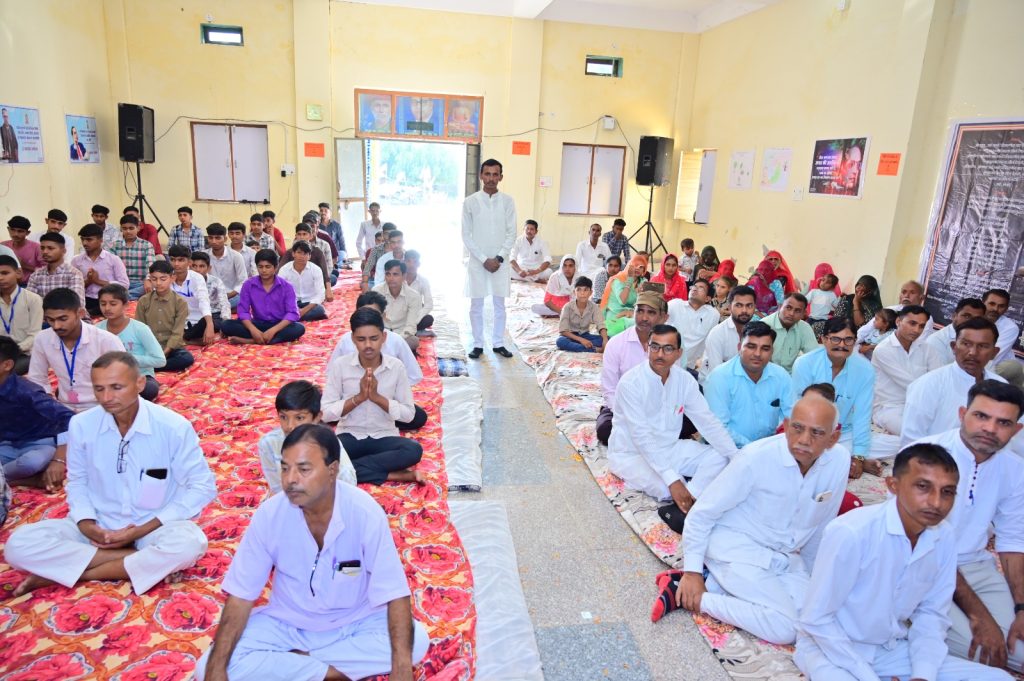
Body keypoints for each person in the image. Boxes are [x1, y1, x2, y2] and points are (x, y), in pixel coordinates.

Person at [193, 424, 428, 681]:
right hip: (287, 623)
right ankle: (326, 672)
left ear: (332, 470)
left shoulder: (364, 512)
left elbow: (394, 591)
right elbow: (241, 595)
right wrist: (216, 670)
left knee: (416, 642)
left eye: (303, 469)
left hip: (353, 622)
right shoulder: (270, 515)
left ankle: (297, 663)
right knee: (208, 667)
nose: (290, 480)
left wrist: (401, 668)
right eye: (285, 468)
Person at [5, 351, 216, 597]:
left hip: (152, 526)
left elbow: (202, 487)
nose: (106, 398)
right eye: (99, 389)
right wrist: (87, 524)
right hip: (99, 524)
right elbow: (78, 481)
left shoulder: (173, 426)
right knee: (18, 546)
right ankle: (133, 560)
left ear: (140, 384)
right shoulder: (82, 425)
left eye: (116, 387)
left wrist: (141, 530)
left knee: (190, 544)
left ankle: (77, 573)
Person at [794, 443, 1011, 681]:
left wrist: (922, 675)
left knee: (1000, 679)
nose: (936, 502)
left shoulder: (944, 536)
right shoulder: (852, 532)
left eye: (947, 492)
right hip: (831, 649)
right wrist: (868, 676)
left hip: (890, 649)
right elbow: (816, 619)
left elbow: (931, 614)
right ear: (893, 485)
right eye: (923, 487)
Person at [654, 393, 848, 643]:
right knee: (785, 628)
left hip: (785, 557)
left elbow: (821, 526)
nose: (804, 440)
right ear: (786, 426)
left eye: (817, 433)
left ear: (833, 439)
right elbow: (701, 515)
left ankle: (714, 584)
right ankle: (695, 596)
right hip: (736, 550)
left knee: (817, 617)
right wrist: (692, 572)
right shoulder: (755, 458)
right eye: (798, 428)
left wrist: (812, 579)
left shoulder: (839, 461)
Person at [912, 381, 1024, 672]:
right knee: (990, 652)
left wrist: (1021, 608)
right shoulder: (923, 457)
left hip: (976, 567)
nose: (990, 429)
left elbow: (1013, 541)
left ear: (1016, 430)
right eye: (981, 416)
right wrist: (980, 616)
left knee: (1019, 649)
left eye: (1003, 423)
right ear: (962, 414)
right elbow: (922, 544)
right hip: (920, 568)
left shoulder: (1015, 469)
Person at [608, 323, 737, 520]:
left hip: (670, 448)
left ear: (679, 353)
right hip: (632, 454)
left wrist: (736, 458)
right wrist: (672, 480)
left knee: (722, 456)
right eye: (655, 347)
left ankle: (689, 499)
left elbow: (707, 421)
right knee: (665, 487)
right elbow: (641, 437)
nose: (660, 354)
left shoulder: (685, 380)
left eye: (668, 349)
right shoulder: (630, 383)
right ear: (648, 348)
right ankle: (690, 497)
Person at [322, 308, 423, 484]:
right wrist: (358, 398)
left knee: (413, 450)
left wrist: (377, 398)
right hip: (350, 434)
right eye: (361, 339)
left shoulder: (396, 367)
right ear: (353, 339)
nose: (368, 345)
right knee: (322, 454)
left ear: (384, 337)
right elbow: (325, 413)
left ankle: (348, 469)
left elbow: (408, 415)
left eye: (374, 338)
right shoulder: (341, 366)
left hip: (384, 436)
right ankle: (392, 474)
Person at [901, 317, 1022, 453]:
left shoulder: (1001, 386)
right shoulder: (929, 384)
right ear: (954, 347)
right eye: (966, 344)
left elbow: (1014, 437)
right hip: (937, 461)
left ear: (994, 353)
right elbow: (911, 440)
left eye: (982, 346)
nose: (973, 352)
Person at [792, 317, 881, 476]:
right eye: (835, 339)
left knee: (895, 444)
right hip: (810, 431)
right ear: (824, 339)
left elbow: (862, 415)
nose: (842, 345)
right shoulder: (805, 363)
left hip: (844, 433)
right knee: (796, 450)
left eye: (848, 340)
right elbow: (797, 408)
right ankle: (842, 460)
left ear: (855, 341)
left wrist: (859, 456)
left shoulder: (865, 369)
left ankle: (845, 459)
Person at [328, 291, 427, 431]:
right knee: (323, 410)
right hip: (353, 400)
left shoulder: (395, 340)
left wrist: (390, 389)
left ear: (383, 317)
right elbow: (331, 374)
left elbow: (413, 375)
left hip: (386, 401)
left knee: (418, 417)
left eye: (374, 315)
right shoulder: (346, 340)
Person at [28, 288, 124, 412]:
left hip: (101, 406)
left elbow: (123, 380)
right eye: (50, 320)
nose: (56, 326)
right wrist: (49, 406)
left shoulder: (106, 340)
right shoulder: (42, 338)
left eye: (63, 319)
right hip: (63, 407)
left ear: (80, 313)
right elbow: (37, 378)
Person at [0, 335, 74, 491]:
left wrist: (59, 459)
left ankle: (8, 479)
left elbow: (68, 418)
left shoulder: (27, 391)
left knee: (31, 463)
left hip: (39, 444)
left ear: (7, 365)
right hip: (6, 446)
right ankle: (24, 480)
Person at [705, 321, 794, 447]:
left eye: (765, 348)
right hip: (729, 449)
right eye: (751, 346)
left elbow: (791, 415)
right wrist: (754, 450)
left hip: (771, 446)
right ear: (739, 347)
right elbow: (717, 427)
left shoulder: (781, 376)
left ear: (772, 351)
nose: (757, 354)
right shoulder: (719, 377)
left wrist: (772, 445)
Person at [258, 382, 356, 495]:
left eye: (299, 418)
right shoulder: (269, 444)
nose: (290, 426)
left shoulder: (329, 443)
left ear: (317, 418)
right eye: (283, 417)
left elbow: (348, 483)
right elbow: (277, 488)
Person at [596, 291, 668, 445]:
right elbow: (609, 389)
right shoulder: (616, 344)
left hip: (657, 410)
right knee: (605, 430)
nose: (644, 317)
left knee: (688, 421)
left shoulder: (670, 347)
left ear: (663, 317)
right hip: (623, 409)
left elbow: (672, 386)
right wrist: (630, 416)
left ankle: (641, 437)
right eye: (639, 311)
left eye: (651, 312)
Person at [462, 159, 517, 360]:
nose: (491, 178)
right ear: (481, 176)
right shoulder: (470, 202)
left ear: (501, 177)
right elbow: (466, 235)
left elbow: (512, 232)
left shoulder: (508, 202)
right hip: (478, 262)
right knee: (476, 305)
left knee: (499, 305)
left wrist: (499, 257)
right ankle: (478, 344)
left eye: (495, 174)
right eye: (487, 174)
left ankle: (498, 343)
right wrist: (484, 259)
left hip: (500, 262)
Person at [871, 305, 943, 440]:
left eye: (921, 326)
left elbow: (938, 379)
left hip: (921, 405)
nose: (916, 330)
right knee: (916, 434)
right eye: (912, 323)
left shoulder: (927, 348)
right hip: (889, 408)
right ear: (898, 321)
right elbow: (912, 384)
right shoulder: (883, 350)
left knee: (944, 429)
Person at [221, 250, 306, 345]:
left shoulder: (287, 286)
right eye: (260, 267)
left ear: (276, 267)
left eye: (268, 267)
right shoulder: (248, 285)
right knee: (226, 325)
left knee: (299, 328)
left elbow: (292, 313)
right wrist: (253, 330)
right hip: (257, 324)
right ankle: (268, 339)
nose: (264, 270)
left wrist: (273, 330)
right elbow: (243, 311)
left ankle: (251, 341)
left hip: (279, 325)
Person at [96, 284, 164, 400]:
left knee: (149, 390)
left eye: (113, 304)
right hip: (108, 377)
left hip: (138, 376)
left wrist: (126, 360)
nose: (107, 308)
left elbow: (160, 360)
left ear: (126, 305)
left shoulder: (140, 329)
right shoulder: (97, 329)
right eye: (103, 304)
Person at [135, 260, 194, 372]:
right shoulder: (144, 301)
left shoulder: (180, 302)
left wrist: (164, 353)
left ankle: (152, 366)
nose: (158, 283)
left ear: (172, 278)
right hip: (150, 346)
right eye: (154, 279)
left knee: (186, 358)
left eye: (163, 279)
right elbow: (139, 328)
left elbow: (177, 332)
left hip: (171, 347)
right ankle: (154, 364)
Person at [699, 285, 757, 383]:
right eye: (739, 305)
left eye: (749, 306)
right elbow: (717, 373)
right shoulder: (717, 334)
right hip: (716, 385)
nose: (744, 310)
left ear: (755, 307)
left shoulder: (756, 332)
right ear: (729, 307)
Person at [854, 279, 935, 346]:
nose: (906, 296)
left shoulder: (926, 319)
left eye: (912, 293)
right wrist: (853, 344)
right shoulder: (890, 309)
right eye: (904, 292)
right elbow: (865, 330)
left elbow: (918, 344)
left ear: (921, 298)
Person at [71, 224, 129, 316]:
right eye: (82, 239)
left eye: (89, 239)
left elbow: (125, 285)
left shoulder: (113, 259)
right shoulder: (76, 260)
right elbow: (72, 285)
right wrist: (89, 281)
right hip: (85, 300)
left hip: (108, 301)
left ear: (101, 240)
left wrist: (98, 281)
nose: (85, 243)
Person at [0, 254, 42, 374]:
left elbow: (35, 335)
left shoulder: (33, 299)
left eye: (5, 273)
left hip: (23, 354)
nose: (0, 278)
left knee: (5, 371)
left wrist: (14, 350)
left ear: (18, 273)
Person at [167, 245, 216, 346]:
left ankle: (182, 339)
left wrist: (210, 325)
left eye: (181, 260)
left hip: (195, 321)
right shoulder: (165, 277)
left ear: (189, 262)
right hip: (174, 320)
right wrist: (167, 285)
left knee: (209, 322)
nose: (176, 264)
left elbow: (204, 301)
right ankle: (187, 340)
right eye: (172, 260)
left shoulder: (197, 278)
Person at [760, 292, 819, 373]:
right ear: (780, 307)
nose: (791, 313)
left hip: (790, 375)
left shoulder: (804, 328)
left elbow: (815, 356)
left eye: (797, 311)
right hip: (765, 373)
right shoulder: (765, 325)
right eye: (788, 307)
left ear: (803, 314)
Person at [373, 259, 422, 352]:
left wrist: (395, 340)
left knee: (414, 341)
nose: (391, 278)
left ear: (404, 276)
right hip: (381, 333)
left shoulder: (414, 296)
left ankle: (387, 351)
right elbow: (372, 320)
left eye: (395, 274)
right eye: (388, 274)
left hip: (402, 334)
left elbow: (410, 326)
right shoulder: (376, 292)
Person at [813, 273, 882, 339]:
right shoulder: (847, 298)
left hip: (856, 332)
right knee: (816, 326)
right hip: (841, 327)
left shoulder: (874, 306)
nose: (859, 288)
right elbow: (837, 317)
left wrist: (856, 301)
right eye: (858, 284)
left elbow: (859, 324)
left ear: (870, 290)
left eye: (863, 286)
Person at [27, 232, 86, 307]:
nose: (45, 251)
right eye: (42, 248)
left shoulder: (73, 274)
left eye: (50, 248)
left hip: (67, 314)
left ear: (63, 251)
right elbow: (29, 303)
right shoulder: (36, 275)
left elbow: (76, 305)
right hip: (41, 314)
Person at [282, 223, 334, 302]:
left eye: (304, 234)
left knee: (332, 278)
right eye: (299, 234)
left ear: (310, 236)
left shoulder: (317, 252)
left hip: (314, 282)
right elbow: (280, 272)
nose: (302, 237)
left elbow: (325, 273)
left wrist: (329, 289)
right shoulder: (290, 252)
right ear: (296, 236)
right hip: (294, 285)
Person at [928, 297, 987, 367]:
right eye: (967, 316)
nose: (971, 321)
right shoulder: (937, 340)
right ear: (954, 316)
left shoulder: (984, 340)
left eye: (976, 319)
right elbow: (940, 372)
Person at [278, 241, 328, 322]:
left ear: (309, 256)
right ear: (293, 254)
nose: (302, 256)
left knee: (320, 309)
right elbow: (280, 291)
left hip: (309, 303)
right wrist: (293, 307)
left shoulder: (316, 269)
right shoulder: (284, 269)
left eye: (305, 254)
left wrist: (304, 310)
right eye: (299, 253)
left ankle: (291, 317)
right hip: (291, 303)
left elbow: (320, 294)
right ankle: (297, 316)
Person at [110, 214, 157, 300]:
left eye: (131, 228)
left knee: (151, 286)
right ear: (121, 229)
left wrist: (148, 280)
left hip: (141, 283)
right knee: (109, 287)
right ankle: (127, 296)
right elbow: (110, 266)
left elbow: (151, 266)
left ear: (138, 228)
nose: (128, 231)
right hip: (121, 283)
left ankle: (123, 297)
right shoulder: (115, 245)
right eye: (124, 228)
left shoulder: (146, 245)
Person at [557, 276, 607, 353]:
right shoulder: (567, 307)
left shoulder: (594, 307)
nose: (582, 293)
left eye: (586, 290)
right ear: (574, 292)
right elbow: (563, 331)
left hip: (585, 335)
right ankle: (593, 349)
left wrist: (605, 340)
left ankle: (578, 346)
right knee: (560, 341)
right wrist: (581, 340)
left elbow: (601, 324)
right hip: (570, 336)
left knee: (608, 338)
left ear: (591, 292)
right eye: (579, 289)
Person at [204, 223, 248, 309]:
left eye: (217, 238)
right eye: (211, 238)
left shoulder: (236, 256)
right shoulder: (204, 255)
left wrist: (227, 295)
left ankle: (216, 309)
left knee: (240, 299)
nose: (214, 241)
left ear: (225, 239)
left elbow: (243, 281)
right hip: (208, 296)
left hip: (231, 296)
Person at [603, 254, 648, 337]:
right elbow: (622, 301)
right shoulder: (618, 279)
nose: (637, 268)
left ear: (644, 270)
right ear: (629, 266)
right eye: (635, 265)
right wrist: (630, 279)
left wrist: (631, 312)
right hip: (616, 315)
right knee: (639, 325)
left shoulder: (643, 282)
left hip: (632, 314)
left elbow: (644, 303)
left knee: (645, 324)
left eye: (641, 267)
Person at [982, 288, 1022, 371]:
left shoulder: (1010, 328)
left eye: (1001, 306)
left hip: (998, 367)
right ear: (982, 303)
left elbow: (992, 357)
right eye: (992, 304)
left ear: (1006, 309)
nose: (995, 309)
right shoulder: (972, 318)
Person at [189, 251, 231, 328]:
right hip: (193, 314)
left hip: (213, 314)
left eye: (201, 266)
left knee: (220, 324)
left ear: (209, 268)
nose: (197, 270)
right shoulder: (186, 281)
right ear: (189, 267)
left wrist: (226, 322)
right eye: (194, 266)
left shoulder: (216, 281)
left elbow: (224, 303)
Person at [4, 215, 43, 283]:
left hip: (29, 285)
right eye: (12, 230)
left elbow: (47, 271)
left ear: (28, 233)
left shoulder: (37, 247)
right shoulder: (3, 246)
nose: (15, 234)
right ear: (8, 229)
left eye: (20, 231)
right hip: (6, 284)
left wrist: (24, 265)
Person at [403, 250, 433, 334]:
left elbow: (429, 304)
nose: (411, 265)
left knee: (428, 319)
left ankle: (407, 329)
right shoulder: (398, 278)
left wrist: (416, 319)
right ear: (404, 262)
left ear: (419, 264)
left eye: (415, 262)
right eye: (408, 261)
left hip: (415, 315)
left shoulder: (424, 281)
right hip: (398, 314)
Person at [361, 222, 396, 291]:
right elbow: (368, 267)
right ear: (382, 234)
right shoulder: (376, 249)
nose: (389, 237)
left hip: (396, 281)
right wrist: (365, 282)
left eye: (391, 234)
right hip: (378, 280)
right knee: (368, 287)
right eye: (386, 234)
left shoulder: (398, 249)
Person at [318, 202, 347, 267]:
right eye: (321, 211)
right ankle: (335, 265)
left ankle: (336, 265)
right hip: (322, 254)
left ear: (330, 213)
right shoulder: (316, 226)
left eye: (325, 211)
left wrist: (345, 255)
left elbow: (342, 242)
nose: (323, 213)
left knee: (342, 254)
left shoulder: (336, 225)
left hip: (334, 254)